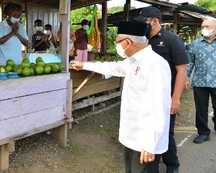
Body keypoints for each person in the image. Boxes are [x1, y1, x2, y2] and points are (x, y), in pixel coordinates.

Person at [71, 21, 171, 173]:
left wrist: (151, 143)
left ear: (127, 42)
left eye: (117, 41)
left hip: (145, 138)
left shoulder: (154, 64)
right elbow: (113, 67)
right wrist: (84, 65)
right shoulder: (133, 61)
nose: (116, 45)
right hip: (132, 133)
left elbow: (159, 106)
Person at [133, 6, 188, 173]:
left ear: (154, 21)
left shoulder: (172, 39)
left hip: (165, 97)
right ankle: (152, 167)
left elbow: (181, 70)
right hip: (145, 97)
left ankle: (172, 165)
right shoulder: (142, 40)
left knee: (165, 133)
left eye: (145, 22)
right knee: (148, 132)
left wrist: (176, 99)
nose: (143, 25)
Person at [185, 19, 216, 144]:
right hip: (200, 83)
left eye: (207, 26)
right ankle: (203, 133)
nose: (204, 28)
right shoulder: (195, 44)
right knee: (201, 109)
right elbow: (189, 62)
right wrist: (186, 78)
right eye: (203, 26)